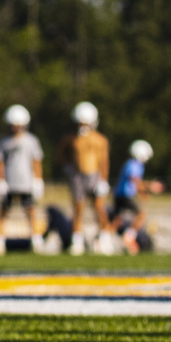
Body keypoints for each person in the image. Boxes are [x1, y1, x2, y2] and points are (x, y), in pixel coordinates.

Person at [58, 102, 110, 256]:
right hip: (77, 176)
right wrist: (66, 166)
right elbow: (60, 153)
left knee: (99, 208)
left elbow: (104, 161)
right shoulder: (71, 138)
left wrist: (103, 180)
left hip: (94, 175)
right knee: (78, 208)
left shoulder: (100, 139)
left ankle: (105, 238)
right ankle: (77, 240)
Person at [0, 104, 44, 255]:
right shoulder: (3, 141)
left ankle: (36, 239)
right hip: (9, 182)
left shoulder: (32, 141)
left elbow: (36, 161)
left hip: (26, 182)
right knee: (2, 211)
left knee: (31, 211)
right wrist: (0, 181)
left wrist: (38, 180)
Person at [110, 139, 159, 254]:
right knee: (141, 214)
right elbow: (135, 180)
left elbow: (134, 181)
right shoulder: (134, 164)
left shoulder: (130, 163)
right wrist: (150, 187)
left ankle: (104, 238)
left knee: (117, 220)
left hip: (119, 194)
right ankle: (129, 237)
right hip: (125, 195)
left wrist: (142, 192)